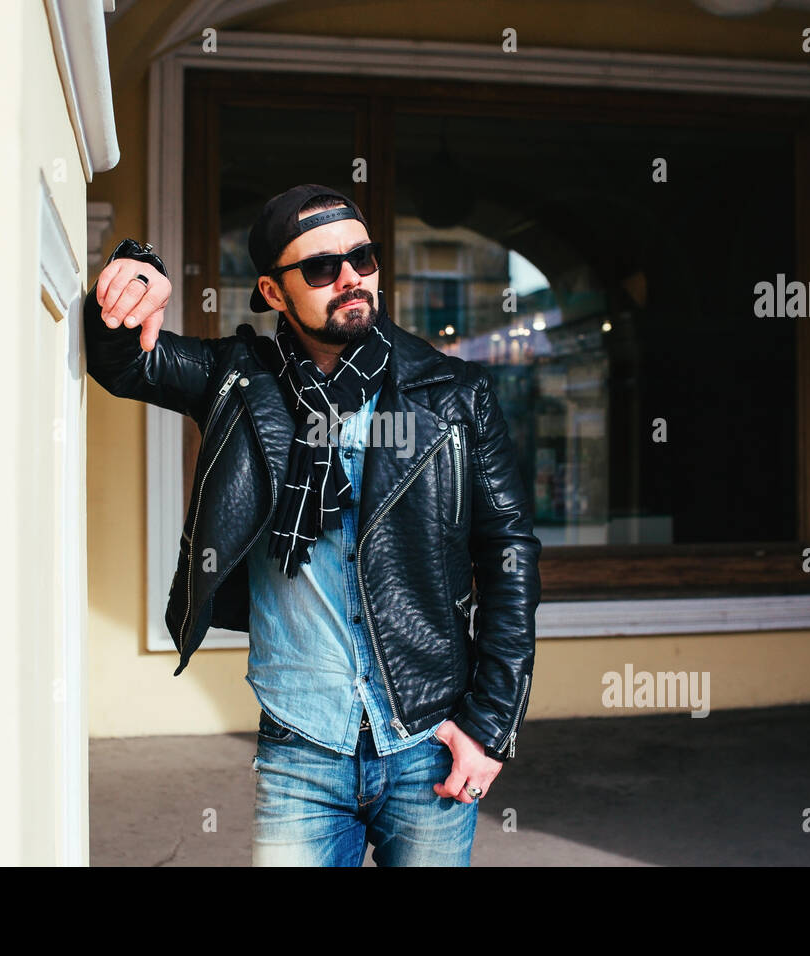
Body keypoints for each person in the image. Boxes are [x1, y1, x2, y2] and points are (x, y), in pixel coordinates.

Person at [84, 184, 540, 866]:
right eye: (322, 268)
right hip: (301, 741)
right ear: (272, 292)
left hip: (426, 738)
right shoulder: (237, 380)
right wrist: (135, 264)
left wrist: (490, 725)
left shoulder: (452, 394)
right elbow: (121, 361)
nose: (352, 277)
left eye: (363, 257)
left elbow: (509, 555)